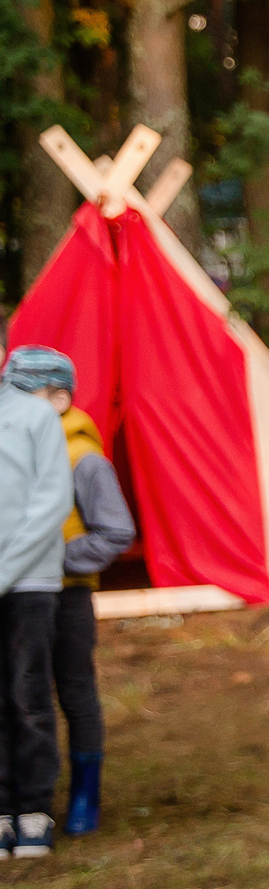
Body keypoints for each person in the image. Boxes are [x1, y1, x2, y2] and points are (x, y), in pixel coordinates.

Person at [4, 351, 135, 840]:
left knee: (74, 691)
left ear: (59, 400)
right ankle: (27, 798)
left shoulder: (84, 459)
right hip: (20, 594)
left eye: (26, 393)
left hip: (67, 595)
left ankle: (85, 792)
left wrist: (51, 555)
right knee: (21, 692)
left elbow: (116, 531)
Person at [0, 349, 73, 862]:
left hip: (29, 581)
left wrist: (4, 572)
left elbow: (52, 500)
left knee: (27, 692)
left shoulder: (35, 415)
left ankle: (34, 807)